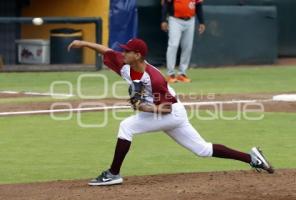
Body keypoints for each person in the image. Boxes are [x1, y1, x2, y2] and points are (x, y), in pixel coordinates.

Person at [68, 38, 274, 186]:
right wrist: (83, 44)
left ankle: (113, 173)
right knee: (202, 150)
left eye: (127, 51)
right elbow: (106, 52)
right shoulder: (125, 65)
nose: (123, 53)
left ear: (137, 55)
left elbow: (165, 109)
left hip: (169, 113)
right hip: (168, 112)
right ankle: (252, 158)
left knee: (126, 126)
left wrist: (143, 107)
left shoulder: (154, 78)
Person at [161, 0, 206, 83]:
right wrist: (164, 20)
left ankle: (182, 74)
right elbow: (166, 4)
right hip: (175, 20)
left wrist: (202, 22)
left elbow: (198, 5)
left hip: (190, 20)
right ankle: (170, 74)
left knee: (187, 47)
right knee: (173, 45)